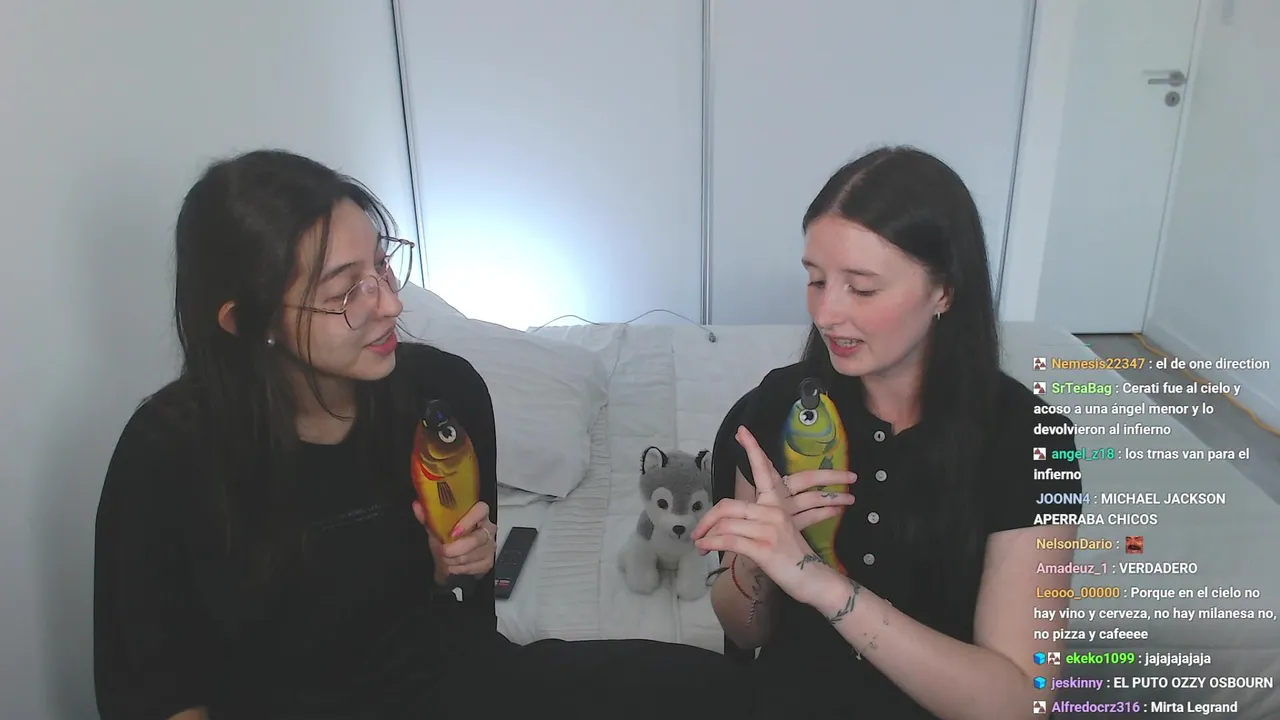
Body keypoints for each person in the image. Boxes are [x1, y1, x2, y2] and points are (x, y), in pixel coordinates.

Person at [94, 149, 748, 720]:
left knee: (720, 695)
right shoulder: (167, 453)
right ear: (247, 322)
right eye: (346, 292)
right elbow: (154, 691)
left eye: (382, 267)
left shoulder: (440, 393)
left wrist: (452, 570)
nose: (390, 303)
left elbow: (466, 614)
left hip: (451, 687)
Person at [696, 146, 1085, 719]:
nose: (826, 314)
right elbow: (745, 632)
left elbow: (1019, 704)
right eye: (816, 280)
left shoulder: (1029, 442)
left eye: (862, 288)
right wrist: (755, 563)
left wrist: (821, 583)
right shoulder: (783, 405)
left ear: (943, 290)